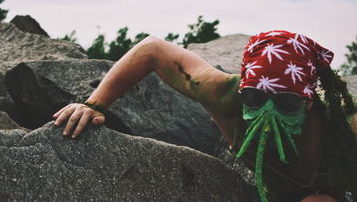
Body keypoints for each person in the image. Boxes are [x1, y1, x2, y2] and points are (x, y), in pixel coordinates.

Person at [53, 31, 357, 202]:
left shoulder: (344, 124)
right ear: (243, 89)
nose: (269, 111)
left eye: (287, 104)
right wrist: (95, 105)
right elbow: (152, 49)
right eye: (254, 97)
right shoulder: (224, 94)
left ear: (308, 102)